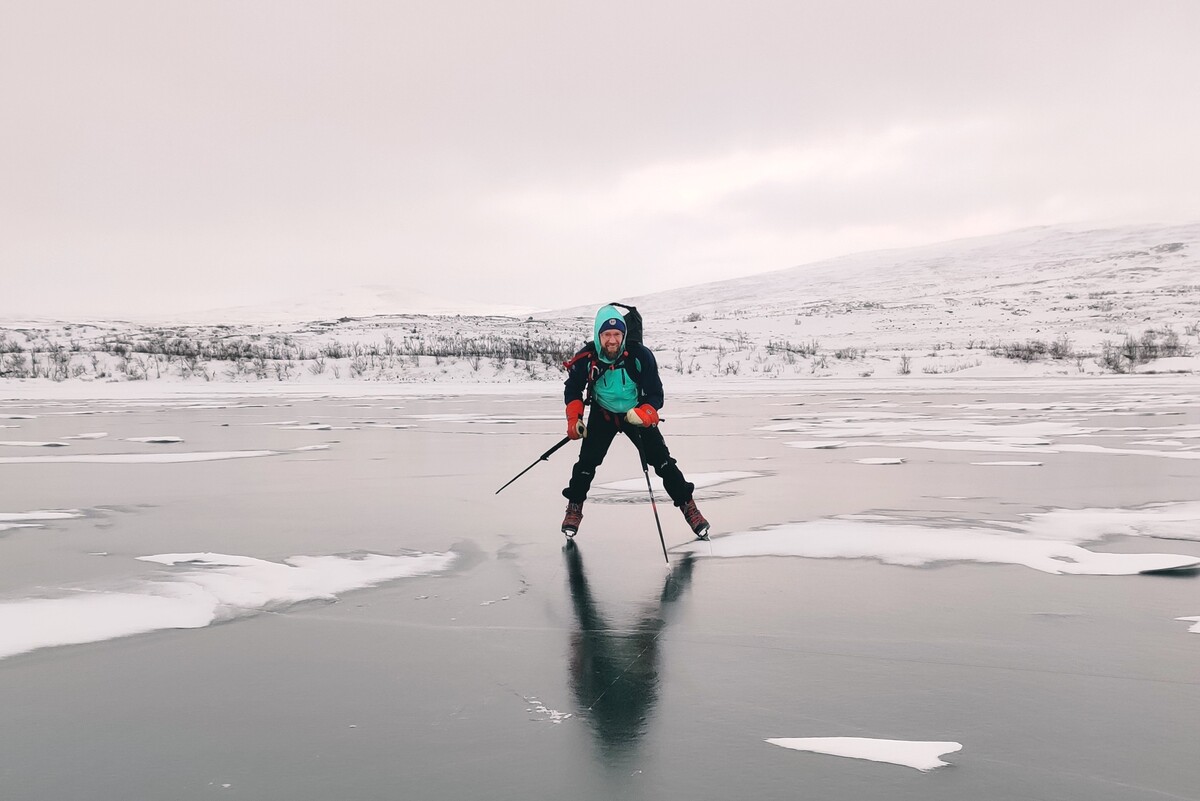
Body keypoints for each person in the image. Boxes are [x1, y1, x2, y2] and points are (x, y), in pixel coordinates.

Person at [560, 303, 709, 539]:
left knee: (662, 462)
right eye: (607, 334)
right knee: (586, 464)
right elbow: (573, 390)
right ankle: (574, 507)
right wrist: (574, 419)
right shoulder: (586, 358)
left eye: (617, 334)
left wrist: (646, 413)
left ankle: (688, 507)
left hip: (635, 415)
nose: (612, 340)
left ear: (623, 335)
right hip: (603, 415)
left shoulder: (640, 355)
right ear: (598, 336)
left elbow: (655, 393)